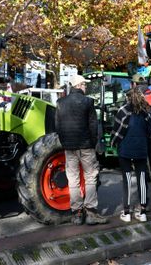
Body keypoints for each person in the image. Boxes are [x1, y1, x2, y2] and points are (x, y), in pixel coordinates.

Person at [55, 74, 108, 225]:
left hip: (69, 147)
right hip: (86, 146)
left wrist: (65, 143)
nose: (85, 87)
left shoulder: (60, 102)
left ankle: (77, 214)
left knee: (73, 180)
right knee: (91, 177)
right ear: (78, 85)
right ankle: (91, 212)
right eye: (84, 84)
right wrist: (93, 143)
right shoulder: (88, 102)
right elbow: (93, 126)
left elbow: (58, 127)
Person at [111, 87, 151, 222]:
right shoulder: (146, 112)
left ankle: (126, 213)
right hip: (143, 148)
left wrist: (113, 143)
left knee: (127, 180)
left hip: (125, 150)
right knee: (143, 177)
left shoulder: (123, 111)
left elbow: (117, 131)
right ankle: (143, 211)